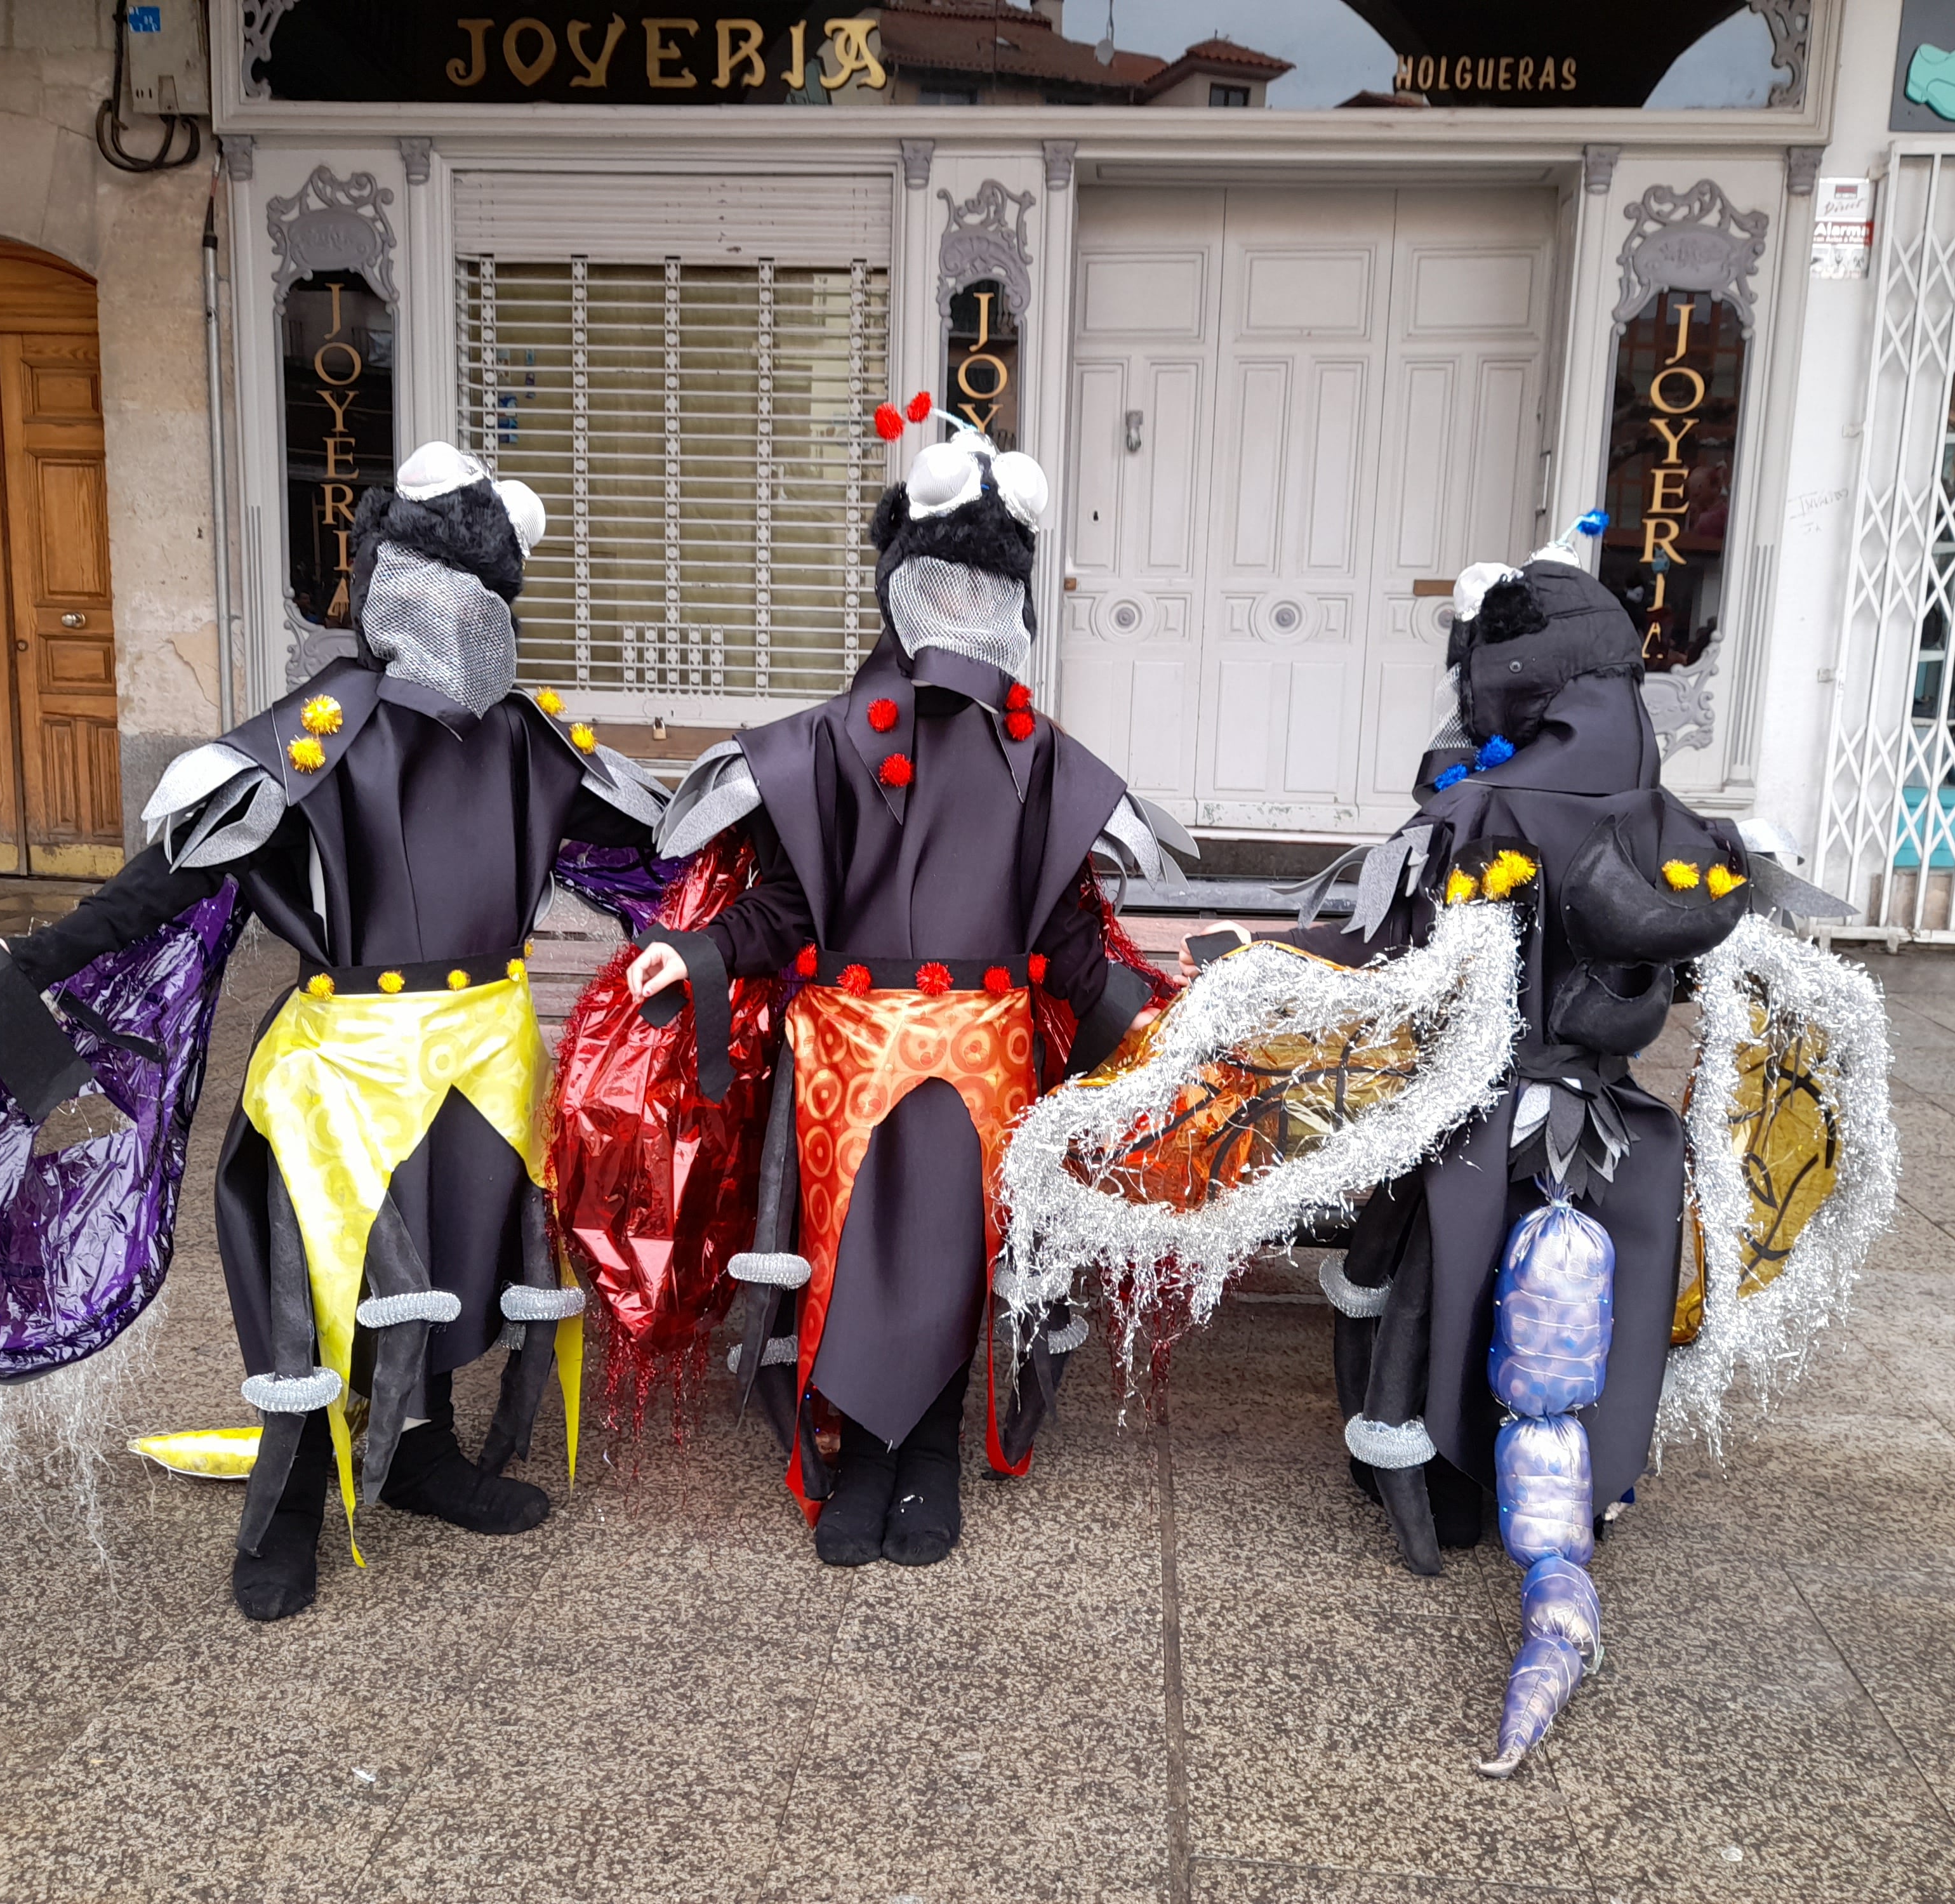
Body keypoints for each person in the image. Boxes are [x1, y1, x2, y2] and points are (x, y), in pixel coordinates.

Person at [0, 443, 662, 1619]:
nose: (457, 620)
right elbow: (164, 881)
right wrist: (21, 966)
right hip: (349, 1068)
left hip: (487, 1054)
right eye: (433, 585)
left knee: (460, 1265)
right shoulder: (322, 730)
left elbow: (658, 848)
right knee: (322, 1292)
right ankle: (291, 1507)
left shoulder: (529, 736)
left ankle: (419, 1457)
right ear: (391, 582)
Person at [625, 417, 1171, 1568]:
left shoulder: (1048, 767)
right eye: (947, 584)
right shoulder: (818, 747)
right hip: (847, 1050)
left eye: (990, 589)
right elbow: (783, 907)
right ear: (902, 587)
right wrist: (707, 952)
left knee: (956, 1244)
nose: (968, 614)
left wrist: (1159, 1015)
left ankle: (925, 1455)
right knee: (849, 1244)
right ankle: (860, 1451)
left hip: (982, 1054)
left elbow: (1070, 941)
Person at [1179, 527, 1752, 1575]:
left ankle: (1431, 1466)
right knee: (1547, 1297)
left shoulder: (1490, 809)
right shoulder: (1673, 823)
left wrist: (1259, 960)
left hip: (1480, 1109)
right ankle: (1544, 1477)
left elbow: (1396, 948)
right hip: (1608, 1115)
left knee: (1431, 1287)